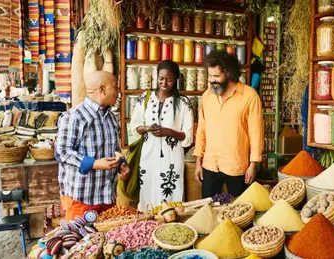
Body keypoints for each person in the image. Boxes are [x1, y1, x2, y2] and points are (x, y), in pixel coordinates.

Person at [55, 71, 130, 220]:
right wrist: (95, 164)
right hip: (82, 200)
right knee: (80, 242)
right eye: (115, 87)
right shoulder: (74, 116)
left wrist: (121, 164)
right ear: (102, 90)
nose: (119, 92)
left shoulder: (111, 118)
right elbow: (62, 152)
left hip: (107, 197)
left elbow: (113, 149)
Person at [194, 51, 264, 198]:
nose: (211, 80)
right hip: (210, 165)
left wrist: (253, 165)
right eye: (210, 76)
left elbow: (256, 133)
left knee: (239, 212)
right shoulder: (207, 96)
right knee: (208, 211)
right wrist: (198, 162)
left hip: (238, 166)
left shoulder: (250, 96)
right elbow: (201, 130)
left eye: (216, 76)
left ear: (229, 73)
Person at [129, 60, 195, 210]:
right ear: (156, 77)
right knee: (148, 192)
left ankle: (170, 227)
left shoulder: (184, 103)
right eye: (161, 78)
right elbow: (135, 126)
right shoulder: (145, 98)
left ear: (176, 80)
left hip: (171, 158)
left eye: (169, 79)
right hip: (148, 157)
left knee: (171, 196)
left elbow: (188, 137)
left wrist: (169, 132)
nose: (164, 83)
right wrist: (146, 128)